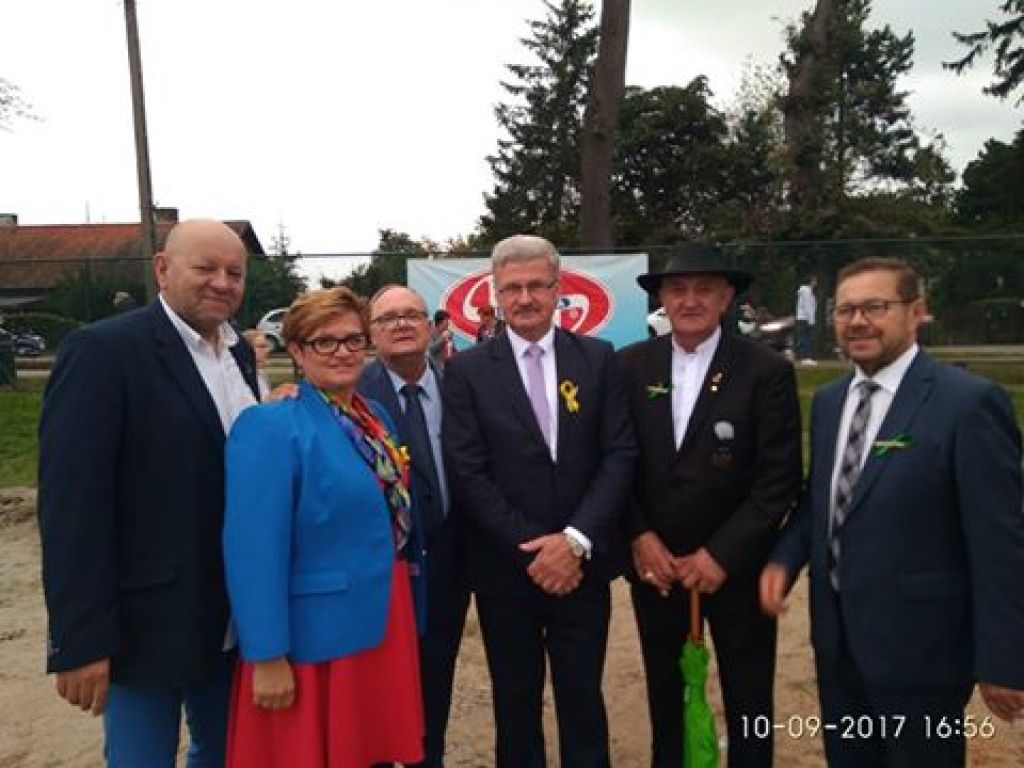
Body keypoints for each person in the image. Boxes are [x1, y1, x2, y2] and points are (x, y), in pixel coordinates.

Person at [760, 257, 1024, 767]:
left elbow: (1000, 541)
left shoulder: (968, 404)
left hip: (923, 651)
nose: (857, 322)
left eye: (875, 307)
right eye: (846, 310)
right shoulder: (830, 402)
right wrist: (784, 560)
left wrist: (1004, 659)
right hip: (838, 644)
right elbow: (823, 498)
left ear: (916, 312)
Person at [37, 219, 261, 766]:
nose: (222, 282)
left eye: (234, 272)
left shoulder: (239, 355)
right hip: (145, 622)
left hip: (232, 614)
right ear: (163, 269)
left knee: (224, 754)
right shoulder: (104, 352)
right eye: (205, 268)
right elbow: (72, 506)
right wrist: (80, 639)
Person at [442, 234, 636, 767]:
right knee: (515, 704)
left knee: (582, 699)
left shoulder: (598, 359)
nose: (525, 298)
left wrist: (573, 541)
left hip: (582, 568)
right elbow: (468, 471)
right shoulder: (467, 371)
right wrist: (533, 549)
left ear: (558, 290)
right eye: (512, 288)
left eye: (536, 286)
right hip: (507, 571)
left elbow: (619, 455)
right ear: (495, 294)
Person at [223, 286, 424, 768]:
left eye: (353, 340)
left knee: (368, 751)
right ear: (296, 350)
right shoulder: (270, 425)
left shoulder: (373, 415)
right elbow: (253, 549)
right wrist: (267, 654)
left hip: (381, 611)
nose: (342, 352)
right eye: (324, 341)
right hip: (314, 636)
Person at [618, 247, 803, 768]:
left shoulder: (766, 371)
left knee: (749, 698)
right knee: (666, 695)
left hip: (735, 571)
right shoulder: (629, 366)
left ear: (726, 299)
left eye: (704, 290)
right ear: (662, 298)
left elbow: (779, 478)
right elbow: (616, 461)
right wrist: (639, 536)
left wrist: (721, 554)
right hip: (657, 570)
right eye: (678, 290)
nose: (690, 300)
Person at [358, 284, 470, 767]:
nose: (401, 324)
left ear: (430, 326)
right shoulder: (353, 395)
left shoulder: (461, 388)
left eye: (411, 315)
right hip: (383, 575)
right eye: (388, 318)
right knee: (378, 694)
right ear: (371, 333)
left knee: (435, 683)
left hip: (449, 567)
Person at [242, 327, 273, 400]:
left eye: (267, 346)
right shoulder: (243, 380)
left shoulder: (261, 374)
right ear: (247, 349)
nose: (267, 350)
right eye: (261, 346)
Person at [795, 275, 818, 364]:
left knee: (804, 338)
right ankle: (806, 357)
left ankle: (801, 355)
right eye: (814, 281)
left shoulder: (807, 292)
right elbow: (808, 307)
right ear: (810, 282)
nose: (816, 283)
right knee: (807, 338)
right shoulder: (807, 292)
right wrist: (811, 320)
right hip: (805, 318)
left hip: (802, 318)